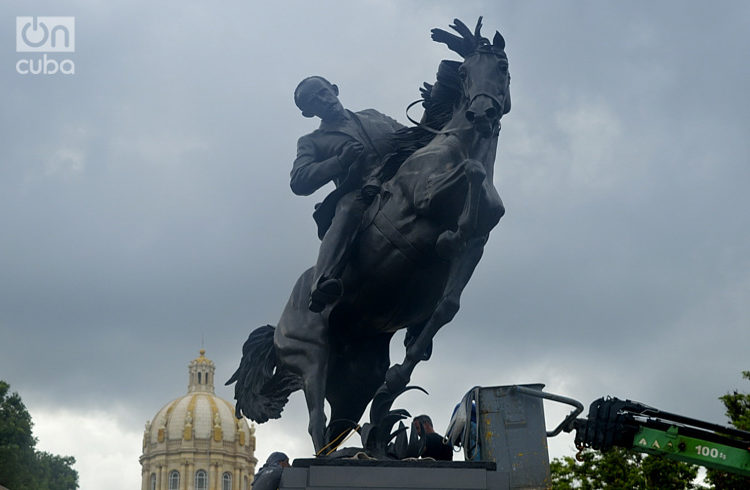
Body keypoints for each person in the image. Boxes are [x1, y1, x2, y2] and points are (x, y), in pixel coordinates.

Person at [291, 76, 403, 312]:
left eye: (323, 93)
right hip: (362, 193)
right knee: (347, 208)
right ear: (309, 113)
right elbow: (299, 181)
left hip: (401, 180)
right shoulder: (312, 141)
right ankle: (323, 281)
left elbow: (411, 138)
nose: (323, 100)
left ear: (334, 89)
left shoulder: (373, 115)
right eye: (314, 101)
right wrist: (340, 161)